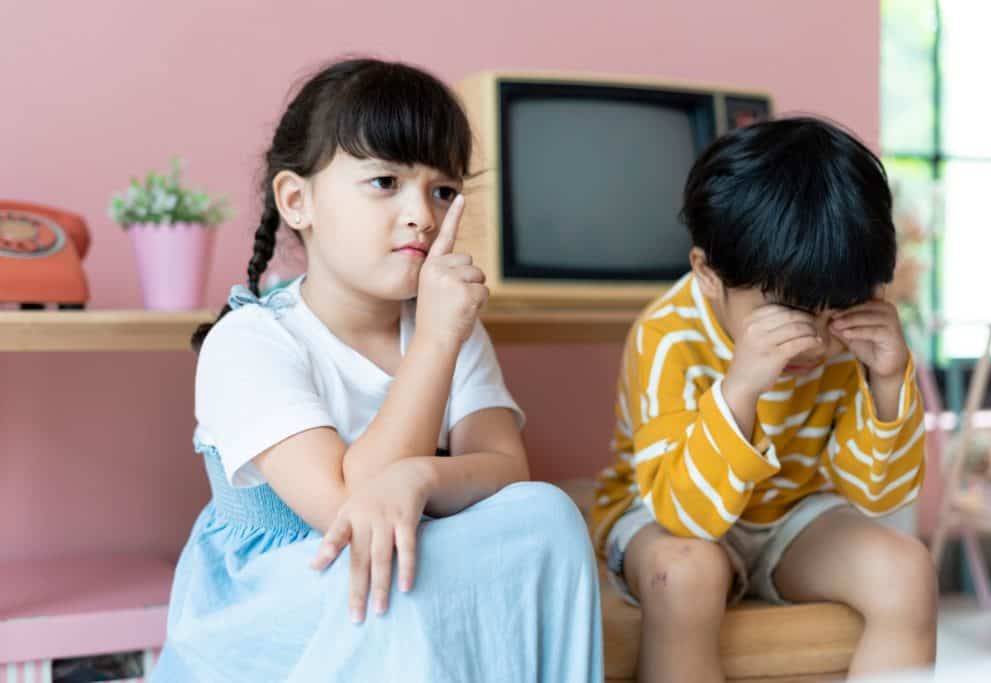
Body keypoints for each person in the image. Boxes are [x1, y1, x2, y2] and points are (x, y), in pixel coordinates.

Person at [152, 58, 603, 683]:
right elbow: (347, 508)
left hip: (399, 560)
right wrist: (439, 337)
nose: (422, 214)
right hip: (288, 592)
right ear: (297, 200)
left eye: (442, 191)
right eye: (385, 182)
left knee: (546, 513)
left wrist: (418, 478)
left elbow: (507, 472)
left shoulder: (446, 322)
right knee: (397, 567)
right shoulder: (252, 341)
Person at [590, 117, 937, 682]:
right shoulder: (667, 334)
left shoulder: (853, 333)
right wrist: (740, 389)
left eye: (836, 311)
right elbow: (687, 516)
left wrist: (891, 383)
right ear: (707, 274)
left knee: (909, 570)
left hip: (791, 513)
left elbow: (878, 495)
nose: (817, 340)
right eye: (790, 312)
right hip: (663, 514)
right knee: (687, 573)